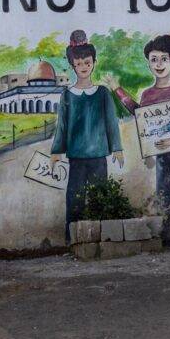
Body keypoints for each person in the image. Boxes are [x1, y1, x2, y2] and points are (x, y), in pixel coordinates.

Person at [105, 34, 170, 238]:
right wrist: (117, 90)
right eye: (154, 59)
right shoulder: (147, 94)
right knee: (163, 195)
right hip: (161, 153)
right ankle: (165, 234)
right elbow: (140, 116)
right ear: (148, 63)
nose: (159, 64)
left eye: (164, 59)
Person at [49, 30, 124, 241]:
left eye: (87, 62)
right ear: (73, 65)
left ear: (94, 62)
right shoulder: (67, 95)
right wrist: (56, 151)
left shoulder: (102, 93)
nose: (83, 67)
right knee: (75, 198)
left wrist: (117, 148)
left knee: (101, 196)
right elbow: (61, 126)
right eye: (79, 63)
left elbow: (112, 123)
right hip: (77, 156)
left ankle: (103, 237)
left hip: (99, 155)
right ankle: (72, 238)